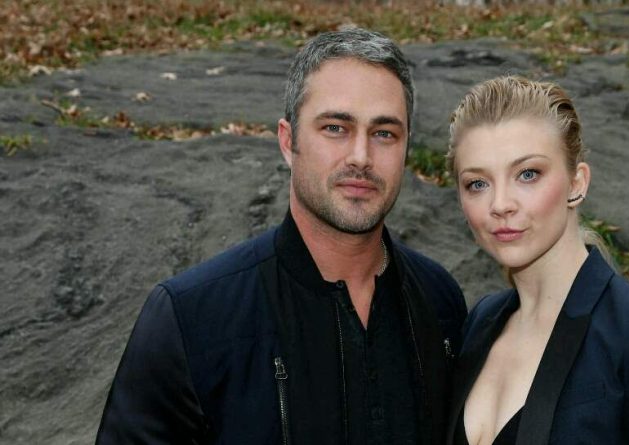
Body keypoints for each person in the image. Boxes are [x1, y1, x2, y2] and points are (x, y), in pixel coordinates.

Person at [96, 28, 467, 445]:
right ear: (289, 142)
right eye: (335, 127)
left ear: (405, 148)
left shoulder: (440, 303)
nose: (361, 157)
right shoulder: (190, 320)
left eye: (384, 133)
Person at [444, 76, 629, 445]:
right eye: (477, 183)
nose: (500, 204)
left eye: (528, 174)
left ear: (577, 183)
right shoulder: (480, 322)